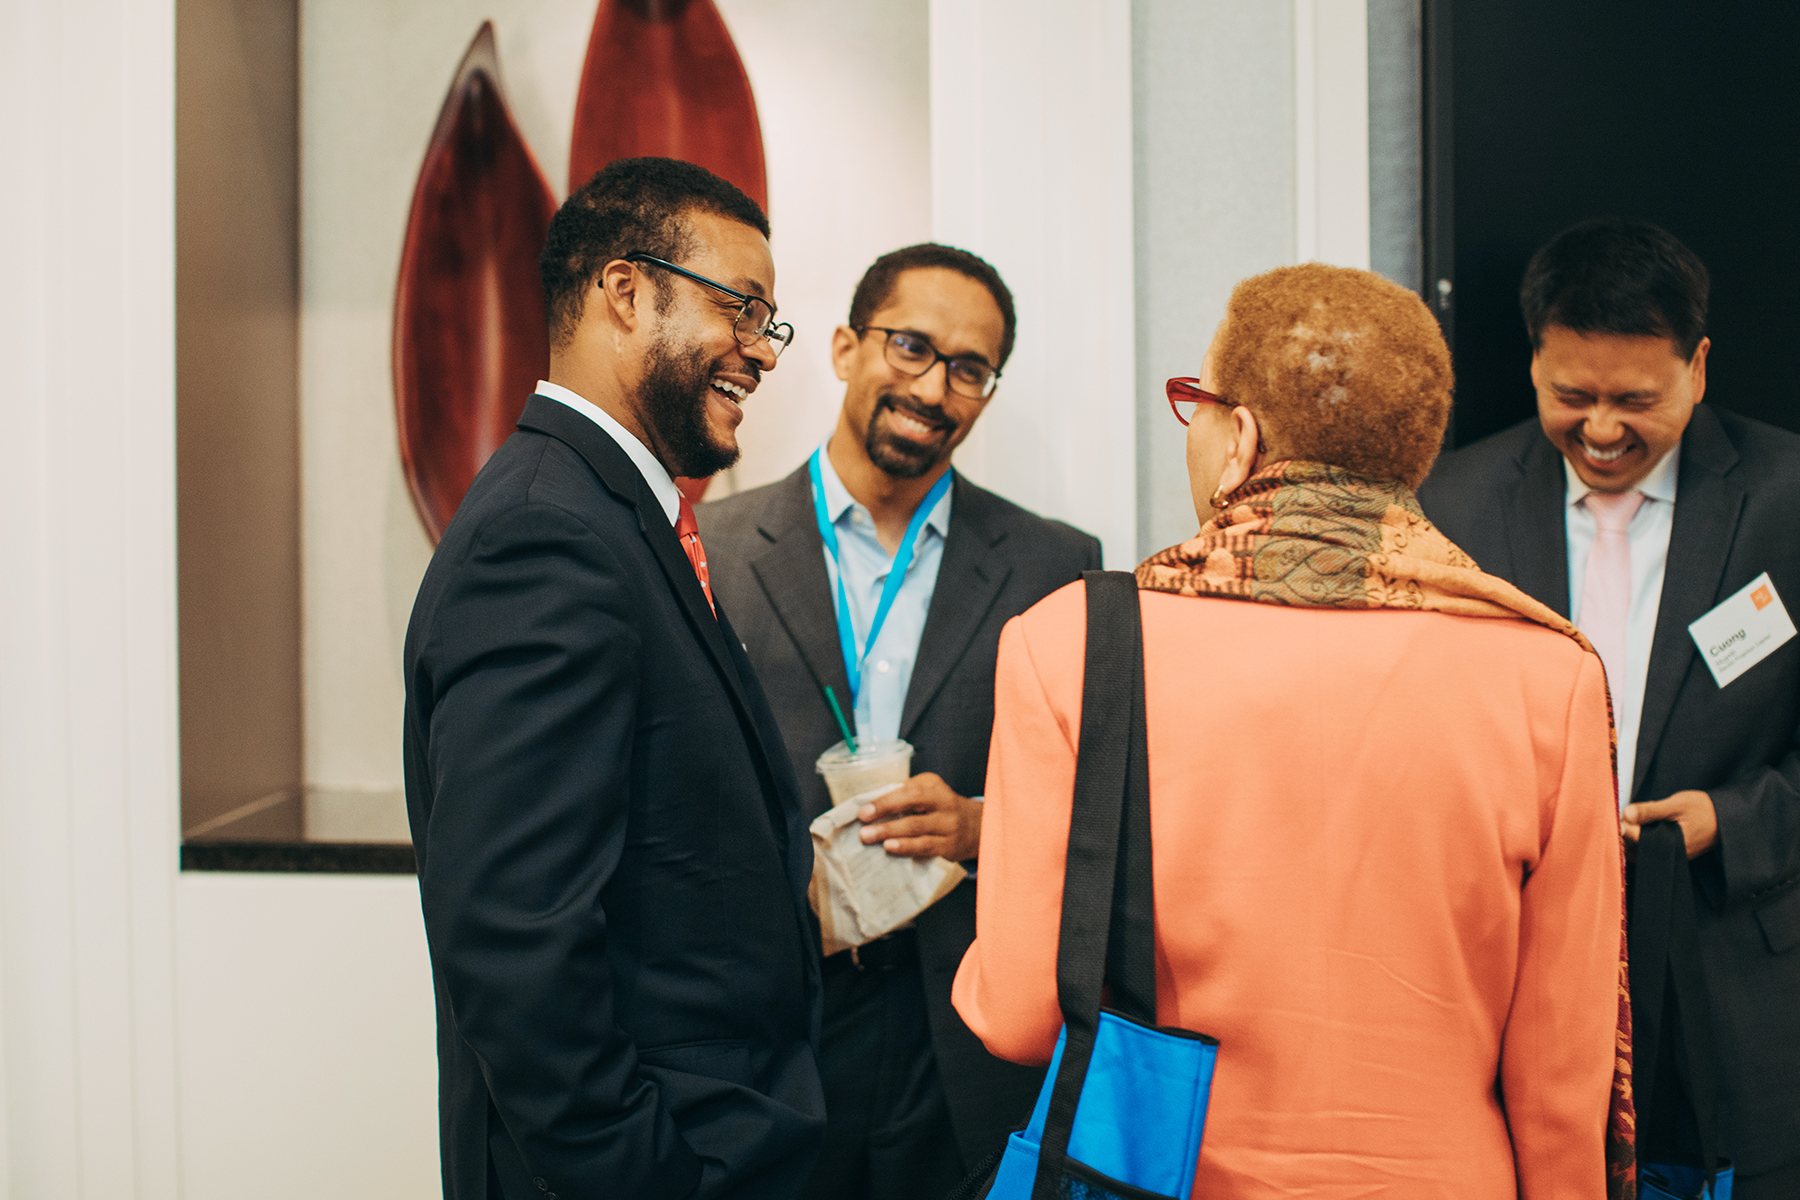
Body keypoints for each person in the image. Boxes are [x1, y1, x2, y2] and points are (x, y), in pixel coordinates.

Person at [954, 263, 1633, 1198]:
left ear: (1242, 437)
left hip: (1169, 1176)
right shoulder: (1551, 674)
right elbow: (1563, 1083)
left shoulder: (1073, 640)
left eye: (1199, 404)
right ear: (1412, 454)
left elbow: (1021, 1014)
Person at [402, 158, 824, 1200]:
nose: (762, 353)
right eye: (745, 310)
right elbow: (514, 941)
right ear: (626, 293)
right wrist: (651, 1176)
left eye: (771, 325)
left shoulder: (613, 516)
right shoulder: (550, 534)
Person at [697, 243, 1101, 1199]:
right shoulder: (708, 548)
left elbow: (1105, 802)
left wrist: (985, 825)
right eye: (911, 347)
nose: (933, 387)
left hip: (962, 1036)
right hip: (775, 1017)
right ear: (844, 347)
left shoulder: (1057, 564)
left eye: (969, 369)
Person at [1419, 217, 1800, 1197]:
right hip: (1517, 976)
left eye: (1636, 400)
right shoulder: (1455, 503)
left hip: (1732, 971)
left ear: (1699, 367)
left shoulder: (1786, 500)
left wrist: (1735, 819)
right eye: (1570, 396)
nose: (1600, 430)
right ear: (1534, 360)